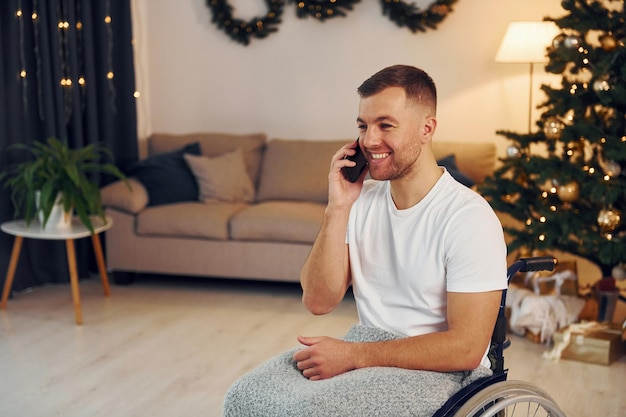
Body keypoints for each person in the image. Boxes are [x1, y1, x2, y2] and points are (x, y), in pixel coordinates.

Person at [223, 65, 507, 416]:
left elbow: (464, 348)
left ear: (426, 128)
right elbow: (317, 300)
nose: (369, 140)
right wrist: (338, 206)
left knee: (310, 412)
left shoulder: (468, 218)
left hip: (442, 375)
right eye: (363, 126)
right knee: (244, 396)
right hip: (367, 349)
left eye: (385, 125)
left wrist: (354, 356)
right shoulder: (362, 202)